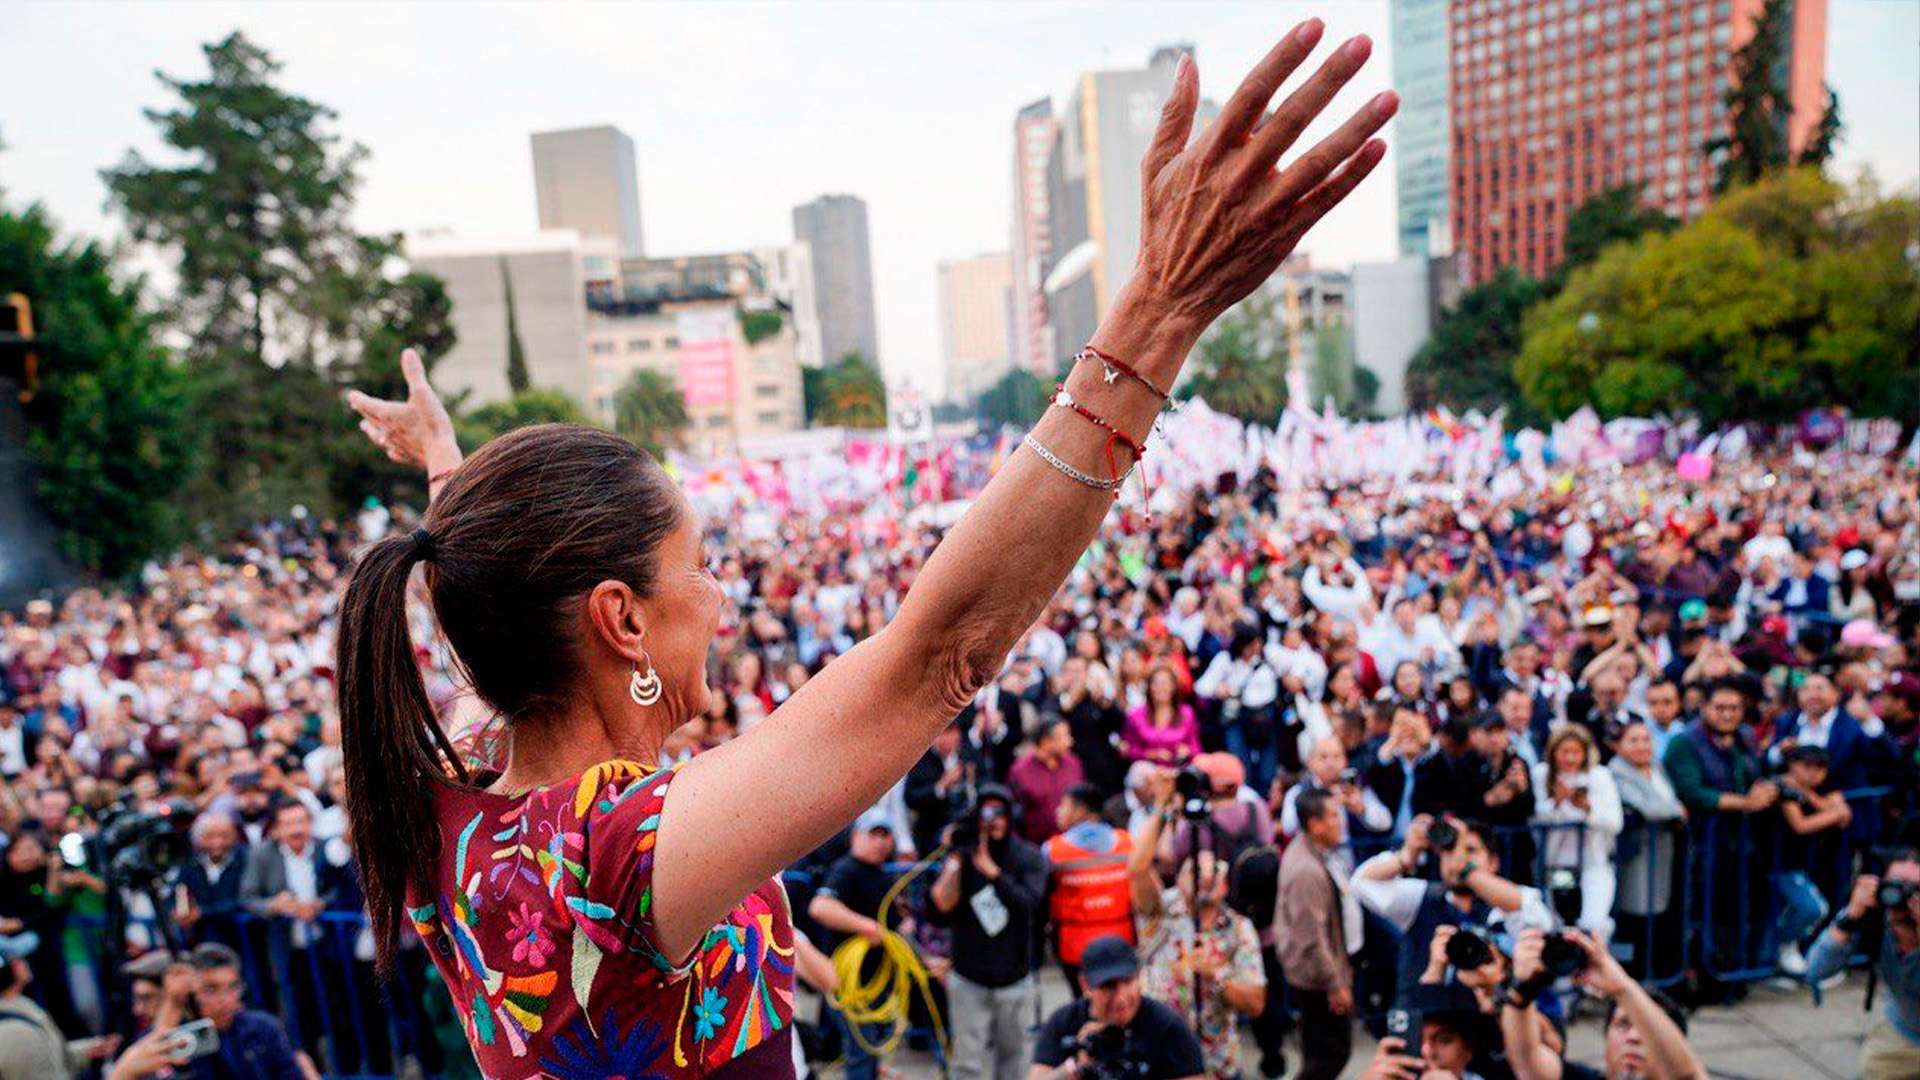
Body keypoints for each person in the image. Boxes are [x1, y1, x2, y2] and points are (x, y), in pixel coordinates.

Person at [336, 25, 1398, 1074]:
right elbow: (938, 657)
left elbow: (485, 582)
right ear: (619, 620)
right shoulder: (611, 853)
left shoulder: (458, 795)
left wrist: (450, 474)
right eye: (697, 567)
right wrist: (1160, 310)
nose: (722, 597)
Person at [1128, 782, 1267, 1079]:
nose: (1203, 879)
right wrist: (1163, 808)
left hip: (1215, 1065)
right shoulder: (1161, 911)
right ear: (1178, 879)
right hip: (1159, 1062)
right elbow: (1137, 869)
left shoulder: (1238, 929)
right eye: (1193, 871)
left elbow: (1255, 1003)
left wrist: (1217, 976)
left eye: (1211, 872)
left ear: (1225, 884)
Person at [1351, 814, 1555, 1004]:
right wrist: (1407, 854)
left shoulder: (1508, 904)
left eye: (1470, 850)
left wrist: (1467, 871)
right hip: (1429, 1025)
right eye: (1449, 851)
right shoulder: (1422, 897)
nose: (1458, 858)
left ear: (1493, 862)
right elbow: (1361, 884)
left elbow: (1537, 919)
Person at [930, 785, 1048, 1080]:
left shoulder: (1027, 857)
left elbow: (1029, 904)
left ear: (1010, 816)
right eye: (985, 813)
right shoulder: (964, 857)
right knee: (967, 1064)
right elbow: (939, 910)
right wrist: (956, 861)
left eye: (998, 812)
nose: (992, 820)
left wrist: (992, 871)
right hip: (969, 979)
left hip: (1014, 979)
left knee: (1014, 1062)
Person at [1500, 928, 1708, 1080]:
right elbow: (1526, 1060)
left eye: (1645, 1031)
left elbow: (1686, 1075)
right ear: (1606, 1035)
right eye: (1623, 1024)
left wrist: (1622, 988)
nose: (1634, 1038)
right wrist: (1522, 988)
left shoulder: (1682, 1069)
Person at [808, 809, 907, 1080]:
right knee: (861, 1054)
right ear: (856, 836)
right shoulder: (847, 870)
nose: (880, 842)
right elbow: (821, 907)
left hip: (878, 983)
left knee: (872, 1050)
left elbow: (896, 930)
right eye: (873, 834)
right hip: (851, 985)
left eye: (885, 835)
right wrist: (865, 926)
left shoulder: (884, 876)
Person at [1804, 852, 1920, 1080]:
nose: (1904, 897)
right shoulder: (1873, 921)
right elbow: (1815, 970)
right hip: (1903, 1033)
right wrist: (1849, 918)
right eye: (1896, 886)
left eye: (1915, 889)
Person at [1029, 935, 1205, 1080]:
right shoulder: (1064, 1022)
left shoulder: (1166, 1026)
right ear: (1085, 985)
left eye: (1127, 982)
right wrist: (1077, 1066)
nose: (1121, 999)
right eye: (1108, 986)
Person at [1276, 788, 1356, 1080]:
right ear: (1315, 824)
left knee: (1321, 1055)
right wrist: (1334, 984)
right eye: (1334, 816)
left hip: (1319, 973)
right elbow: (1310, 937)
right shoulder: (1305, 870)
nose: (1340, 822)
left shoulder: (1312, 853)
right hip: (1316, 979)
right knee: (1329, 1056)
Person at [1608, 720, 1686, 979]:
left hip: (1662, 852)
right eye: (1634, 740)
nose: (1642, 746)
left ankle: (1656, 973)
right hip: (1635, 855)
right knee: (1634, 913)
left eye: (1646, 739)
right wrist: (1675, 811)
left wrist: (1670, 808)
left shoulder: (1656, 767)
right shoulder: (1616, 771)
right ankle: (1634, 975)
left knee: (1659, 914)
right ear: (1618, 746)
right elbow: (1650, 808)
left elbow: (1667, 800)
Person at [1532, 725, 1622, 941]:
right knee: (1559, 921)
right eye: (1564, 752)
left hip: (1594, 862)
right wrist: (1557, 801)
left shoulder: (1599, 776)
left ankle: (1596, 968)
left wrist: (1587, 809)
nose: (1570, 759)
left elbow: (1614, 822)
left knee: (1594, 922)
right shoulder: (1543, 774)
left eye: (1576, 752)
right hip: (1558, 864)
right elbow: (1537, 817)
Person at [1044, 784, 1135, 993]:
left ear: (1081, 811)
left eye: (1064, 805)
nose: (1058, 811)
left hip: (1075, 946)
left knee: (1084, 1003)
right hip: (1121, 939)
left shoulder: (1053, 850)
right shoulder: (1127, 842)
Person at [181, 942, 305, 1080]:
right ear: (191, 992)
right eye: (211, 989)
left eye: (233, 987)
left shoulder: (263, 1026)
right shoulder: (183, 1039)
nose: (226, 999)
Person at [1009, 718, 1087, 845]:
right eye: (1065, 737)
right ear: (1046, 742)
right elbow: (1013, 816)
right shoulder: (1020, 771)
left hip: (1072, 848)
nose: (1071, 742)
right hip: (1036, 850)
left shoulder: (1074, 764)